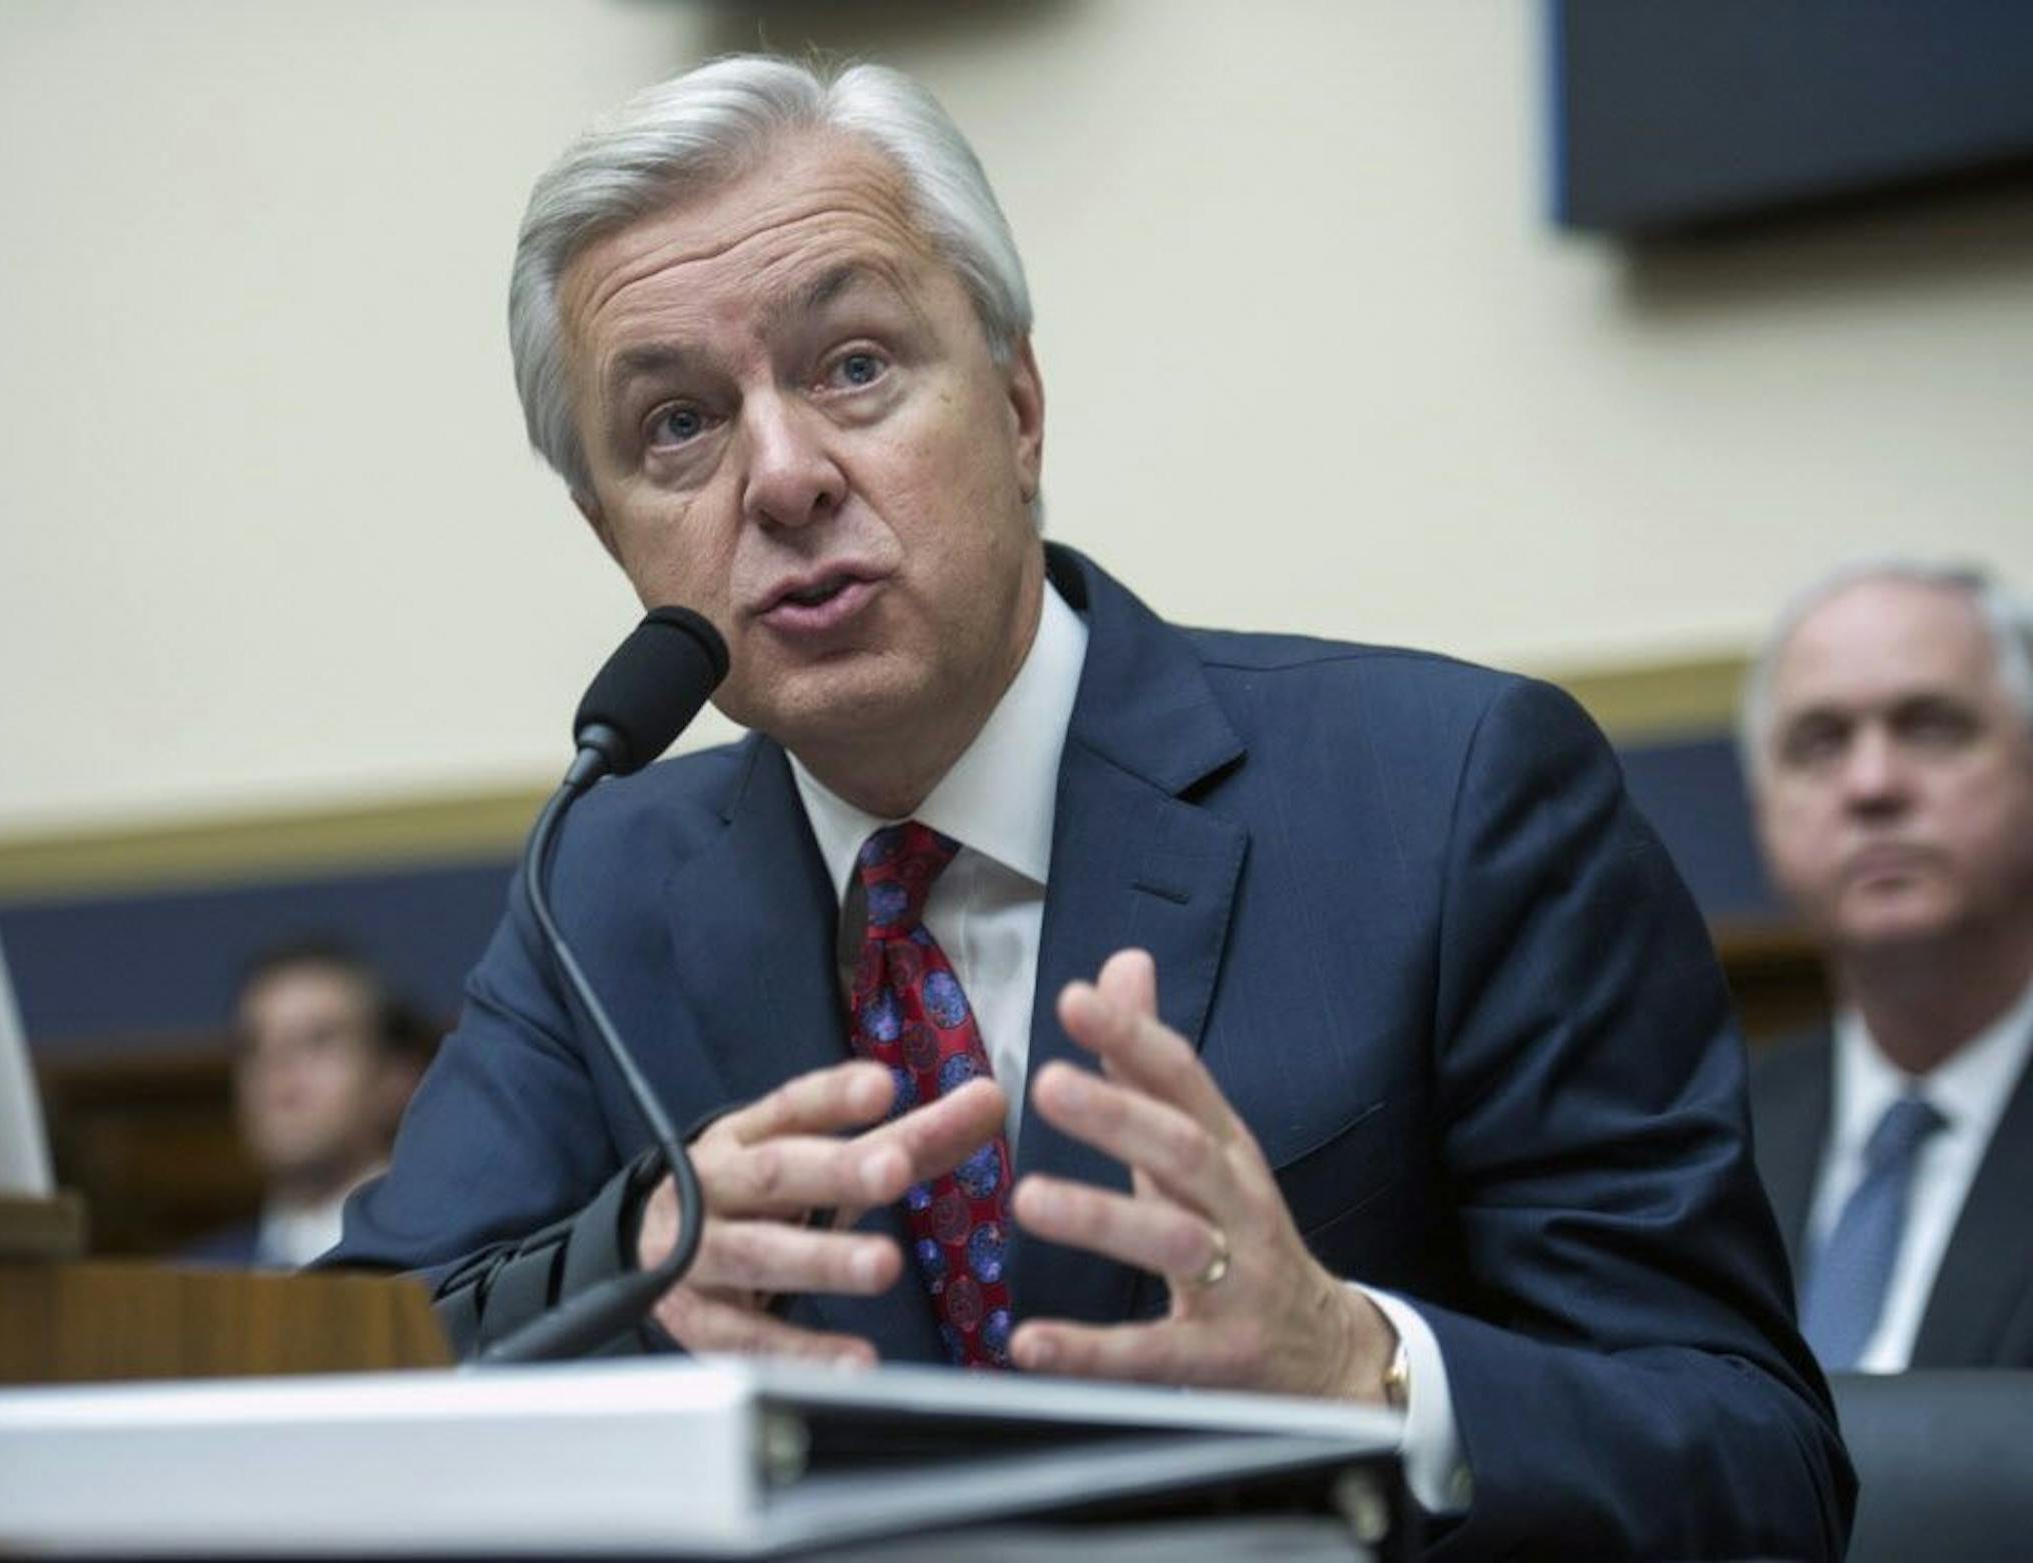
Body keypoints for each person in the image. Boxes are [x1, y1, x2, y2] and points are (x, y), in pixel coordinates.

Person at [333, 55, 1851, 1556]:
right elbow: (331, 1366)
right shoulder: (598, 892)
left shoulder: (1453, 793)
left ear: (1017, 404)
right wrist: (626, 1263)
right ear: (616, 539)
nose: (784, 476)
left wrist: (1363, 1368)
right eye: (677, 425)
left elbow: (1758, 1465)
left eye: (853, 365)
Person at [1744, 561, 2033, 1372]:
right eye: (1819, 743)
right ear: (1766, 813)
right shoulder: (1706, 1137)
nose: (1872, 785)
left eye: (1933, 727)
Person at [186, 938, 430, 1268]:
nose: (278, 1074)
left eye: (317, 1042)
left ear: (395, 1079)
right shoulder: (192, 1284)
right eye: (254, 1047)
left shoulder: (457, 1268)